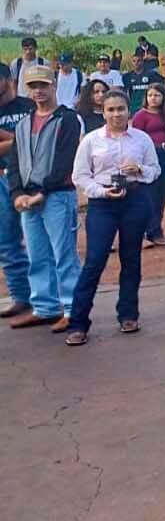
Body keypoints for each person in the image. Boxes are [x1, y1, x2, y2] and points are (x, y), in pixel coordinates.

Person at [62, 89, 160, 344]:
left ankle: (128, 314)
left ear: (129, 110)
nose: (116, 114)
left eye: (121, 109)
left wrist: (139, 169)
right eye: (111, 109)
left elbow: (155, 170)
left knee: (131, 258)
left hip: (134, 201)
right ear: (103, 112)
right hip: (102, 205)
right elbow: (80, 176)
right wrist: (101, 191)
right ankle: (78, 323)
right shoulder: (92, 140)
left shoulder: (141, 139)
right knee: (94, 261)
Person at [4, 66, 83, 330]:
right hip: (27, 198)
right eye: (33, 86)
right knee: (37, 255)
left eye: (43, 85)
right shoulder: (25, 123)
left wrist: (42, 192)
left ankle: (74, 309)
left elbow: (65, 160)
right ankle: (45, 306)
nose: (38, 91)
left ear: (53, 86)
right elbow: (14, 162)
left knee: (64, 255)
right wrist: (17, 193)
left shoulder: (67, 119)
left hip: (57, 196)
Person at [0, 71, 37, 318]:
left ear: (8, 79)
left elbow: (41, 138)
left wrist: (12, 140)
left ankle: (48, 296)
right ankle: (21, 296)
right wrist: (20, 140)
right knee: (6, 241)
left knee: (40, 241)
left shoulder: (29, 106)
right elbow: (30, 140)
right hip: (3, 177)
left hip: (33, 178)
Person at [131, 85, 165, 247]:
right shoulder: (141, 115)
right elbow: (134, 138)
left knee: (161, 194)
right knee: (148, 194)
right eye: (150, 95)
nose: (153, 98)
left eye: (157, 95)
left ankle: (156, 230)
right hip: (150, 156)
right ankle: (144, 233)